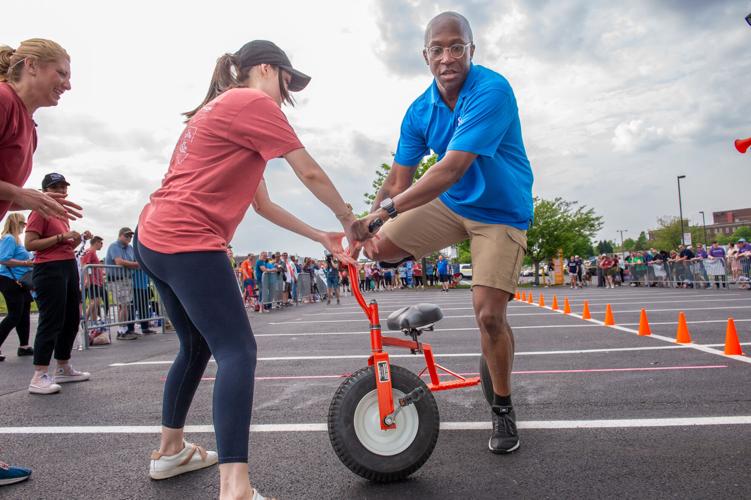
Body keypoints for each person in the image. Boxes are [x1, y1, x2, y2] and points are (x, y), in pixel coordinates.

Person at [133, 40, 367, 499]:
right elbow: (310, 172)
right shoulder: (252, 101)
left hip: (153, 237)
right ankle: (235, 488)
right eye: (287, 83)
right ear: (265, 69)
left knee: (196, 345)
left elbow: (262, 204)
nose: (286, 96)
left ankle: (170, 451)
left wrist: (319, 235)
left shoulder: (223, 109)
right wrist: (347, 219)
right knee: (237, 350)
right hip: (188, 238)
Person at [356, 12, 533, 454]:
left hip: (499, 212)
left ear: (473, 49)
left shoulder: (491, 90)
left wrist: (388, 211)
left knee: (489, 316)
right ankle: (403, 256)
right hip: (452, 208)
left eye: (457, 47)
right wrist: (365, 225)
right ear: (425, 55)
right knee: (379, 246)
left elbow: (452, 168)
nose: (447, 57)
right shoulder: (419, 111)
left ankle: (503, 409)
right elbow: (397, 181)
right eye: (437, 49)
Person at [0, 37, 82, 479]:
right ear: (30, 66)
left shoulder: (29, 124)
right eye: (62, 73)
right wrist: (21, 194)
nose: (68, 84)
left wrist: (38, 203)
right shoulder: (2, 101)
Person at [25, 173, 91, 395]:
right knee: (51, 319)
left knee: (71, 317)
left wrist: (76, 238)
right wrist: (62, 238)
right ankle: (39, 374)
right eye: (56, 186)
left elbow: (64, 245)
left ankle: (63, 366)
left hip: (67, 265)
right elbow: (30, 243)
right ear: (45, 191)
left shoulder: (62, 214)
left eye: (64, 186)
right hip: (48, 268)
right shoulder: (39, 210)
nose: (62, 189)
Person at [0, 213, 34, 361]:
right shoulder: (9, 238)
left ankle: (24, 346)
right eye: (23, 223)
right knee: (15, 314)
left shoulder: (16, 240)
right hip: (10, 279)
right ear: (16, 223)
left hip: (19, 280)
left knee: (24, 312)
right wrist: (26, 263)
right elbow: (3, 259)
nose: (25, 226)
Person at [106, 227, 140, 340]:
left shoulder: (130, 248)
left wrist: (135, 264)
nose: (129, 238)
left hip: (127, 279)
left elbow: (135, 261)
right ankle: (121, 332)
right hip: (116, 280)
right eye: (126, 236)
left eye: (130, 236)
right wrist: (135, 265)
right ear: (120, 235)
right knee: (123, 306)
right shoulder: (114, 246)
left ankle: (125, 329)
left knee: (126, 306)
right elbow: (119, 262)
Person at [81, 236, 107, 341]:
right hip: (93, 281)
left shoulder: (92, 252)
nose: (102, 245)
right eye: (101, 243)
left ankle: (93, 323)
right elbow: (84, 264)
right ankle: (84, 319)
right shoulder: (90, 251)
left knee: (95, 302)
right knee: (95, 301)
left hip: (96, 281)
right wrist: (87, 279)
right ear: (96, 242)